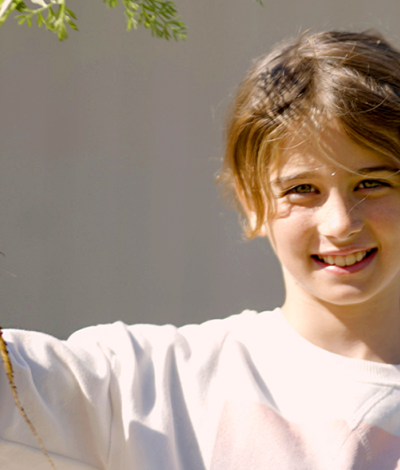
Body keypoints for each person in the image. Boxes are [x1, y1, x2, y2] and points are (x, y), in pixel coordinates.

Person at [2, 30, 400, 470]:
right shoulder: (144, 387)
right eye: (302, 189)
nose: (341, 222)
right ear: (250, 204)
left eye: (372, 183)